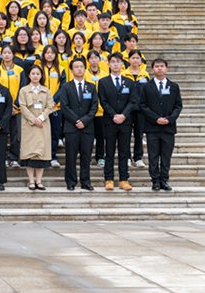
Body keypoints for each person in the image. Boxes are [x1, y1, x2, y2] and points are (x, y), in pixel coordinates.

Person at [140, 58, 183, 191]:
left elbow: (178, 105)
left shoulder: (173, 86)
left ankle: (164, 180)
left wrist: (169, 119)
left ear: (166, 69)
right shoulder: (146, 86)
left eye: (162, 66)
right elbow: (143, 105)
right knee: (153, 155)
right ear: (152, 69)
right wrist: (156, 118)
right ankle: (155, 181)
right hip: (152, 127)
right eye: (157, 66)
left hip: (168, 127)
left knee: (166, 155)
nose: (159, 68)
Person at [97, 53, 138, 191]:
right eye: (113, 62)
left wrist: (123, 115)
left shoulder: (129, 82)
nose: (116, 64)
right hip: (110, 121)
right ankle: (109, 179)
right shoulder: (103, 82)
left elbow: (132, 101)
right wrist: (114, 115)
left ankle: (124, 179)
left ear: (122, 64)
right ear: (108, 64)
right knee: (109, 151)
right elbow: (103, 101)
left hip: (126, 122)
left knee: (124, 151)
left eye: (118, 61)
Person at [59, 58, 99, 191]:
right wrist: (77, 120)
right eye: (76, 67)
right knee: (70, 156)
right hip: (71, 127)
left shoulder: (91, 87)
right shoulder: (66, 87)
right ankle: (71, 182)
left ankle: (85, 181)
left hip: (87, 128)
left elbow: (94, 107)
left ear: (85, 69)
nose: (79, 69)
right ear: (71, 70)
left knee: (86, 156)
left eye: (81, 66)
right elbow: (64, 106)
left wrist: (84, 121)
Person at [19, 65, 55, 191]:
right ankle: (31, 181)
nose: (35, 76)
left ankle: (39, 181)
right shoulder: (24, 90)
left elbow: (50, 106)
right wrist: (34, 119)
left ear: (41, 76)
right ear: (29, 75)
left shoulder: (46, 90)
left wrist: (41, 118)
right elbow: (22, 106)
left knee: (41, 155)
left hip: (42, 124)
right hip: (29, 125)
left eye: (37, 74)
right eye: (33, 73)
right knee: (30, 154)